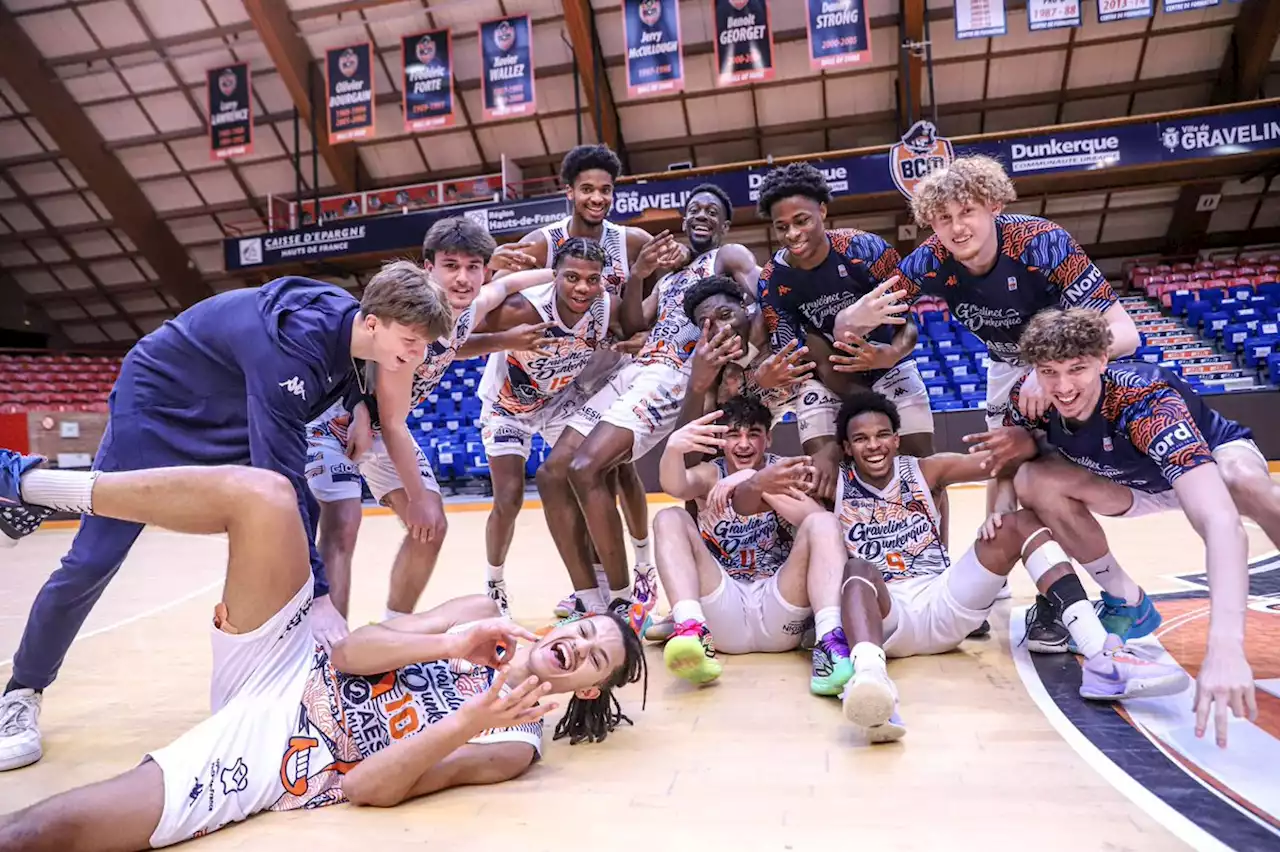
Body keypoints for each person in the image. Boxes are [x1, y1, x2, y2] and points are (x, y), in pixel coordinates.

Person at [0, 450, 646, 850]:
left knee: (41, 834)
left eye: (593, 658)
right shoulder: (482, 618)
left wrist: (472, 719)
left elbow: (367, 787)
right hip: (289, 664)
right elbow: (350, 653)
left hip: (287, 748)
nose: (577, 644)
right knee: (262, 493)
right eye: (583, 629)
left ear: (586, 689)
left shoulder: (511, 746)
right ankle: (28, 486)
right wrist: (447, 641)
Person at [0, 263, 453, 773]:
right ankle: (22, 689)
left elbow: (343, 374)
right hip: (159, 403)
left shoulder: (349, 325)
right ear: (373, 322)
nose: (418, 355)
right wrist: (322, 595)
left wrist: (362, 404)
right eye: (410, 342)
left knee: (265, 523)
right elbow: (281, 475)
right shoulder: (291, 351)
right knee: (94, 558)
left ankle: (289, 679)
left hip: (229, 403)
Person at [831, 392, 1190, 744]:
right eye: (860, 439)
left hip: (944, 600)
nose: (873, 446)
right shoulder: (833, 484)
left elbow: (1008, 459)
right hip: (886, 616)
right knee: (857, 568)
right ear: (846, 448)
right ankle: (870, 680)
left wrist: (1004, 496)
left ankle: (1101, 658)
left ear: (896, 440)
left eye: (881, 436)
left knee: (1019, 524)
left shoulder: (927, 469)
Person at [983, 307, 1268, 748]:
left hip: (1206, 463)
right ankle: (1125, 599)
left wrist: (1226, 646)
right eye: (1050, 372)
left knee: (1244, 480)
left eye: (1076, 369)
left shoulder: (1147, 401)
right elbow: (1010, 458)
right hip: (1128, 481)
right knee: (1032, 480)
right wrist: (999, 511)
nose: (1063, 386)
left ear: (1102, 359)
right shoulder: (1031, 396)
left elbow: (1220, 524)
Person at [894, 153, 1142, 630]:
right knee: (1002, 461)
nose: (957, 226)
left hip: (1072, 361)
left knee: (1043, 476)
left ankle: (1066, 597)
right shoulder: (930, 258)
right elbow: (881, 300)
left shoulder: (1042, 241)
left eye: (967, 211)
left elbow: (1124, 332)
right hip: (1006, 363)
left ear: (993, 205)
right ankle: (996, 573)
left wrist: (1050, 372)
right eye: (943, 218)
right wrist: (852, 319)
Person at [305, 217, 554, 623]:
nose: (462, 277)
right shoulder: (413, 321)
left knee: (431, 528)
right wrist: (416, 498)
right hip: (340, 420)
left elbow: (505, 288)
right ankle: (331, 650)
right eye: (450, 265)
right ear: (428, 268)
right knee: (342, 525)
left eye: (473, 267)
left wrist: (557, 273)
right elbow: (393, 416)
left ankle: (393, 628)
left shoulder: (470, 306)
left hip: (384, 424)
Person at [536, 187, 761, 631]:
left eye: (712, 211)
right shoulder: (676, 273)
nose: (701, 215)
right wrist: (640, 272)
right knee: (551, 471)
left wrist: (745, 352)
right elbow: (634, 323)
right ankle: (589, 597)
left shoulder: (727, 256)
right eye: (693, 208)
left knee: (585, 468)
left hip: (673, 374)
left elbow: (760, 297)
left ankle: (624, 604)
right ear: (682, 219)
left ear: (725, 225)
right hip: (635, 368)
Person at [486, 144, 674, 619]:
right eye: (586, 188)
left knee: (604, 471)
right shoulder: (542, 243)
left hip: (588, 369)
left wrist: (640, 337)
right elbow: (491, 298)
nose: (597, 197)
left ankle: (630, 574)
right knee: (534, 489)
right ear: (568, 192)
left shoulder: (628, 241)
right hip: (534, 377)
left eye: (605, 189)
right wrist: (492, 270)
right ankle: (524, 583)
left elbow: (638, 312)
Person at [755, 162, 936, 503]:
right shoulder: (772, 280)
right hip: (828, 379)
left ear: (822, 210)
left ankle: (934, 555)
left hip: (888, 364)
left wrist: (891, 353)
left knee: (922, 472)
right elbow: (810, 359)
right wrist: (852, 430)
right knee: (823, 481)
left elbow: (909, 323)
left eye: (802, 220)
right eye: (782, 227)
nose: (792, 234)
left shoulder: (866, 250)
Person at [653, 394, 856, 696]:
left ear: (769, 438)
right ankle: (691, 629)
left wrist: (754, 480)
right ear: (722, 441)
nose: (744, 444)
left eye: (753, 434)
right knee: (668, 517)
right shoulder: (711, 474)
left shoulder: (786, 471)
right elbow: (675, 485)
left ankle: (829, 642)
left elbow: (820, 523)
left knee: (824, 522)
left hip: (780, 603)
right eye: (734, 434)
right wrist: (672, 449)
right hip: (724, 605)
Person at [473, 237, 614, 614]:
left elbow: (635, 322)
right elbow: (458, 336)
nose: (582, 287)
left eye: (591, 279)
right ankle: (494, 582)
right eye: (571, 277)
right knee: (509, 498)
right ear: (554, 276)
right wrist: (503, 339)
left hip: (559, 402)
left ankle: (591, 589)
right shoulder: (522, 309)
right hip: (507, 406)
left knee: (584, 482)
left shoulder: (603, 307)